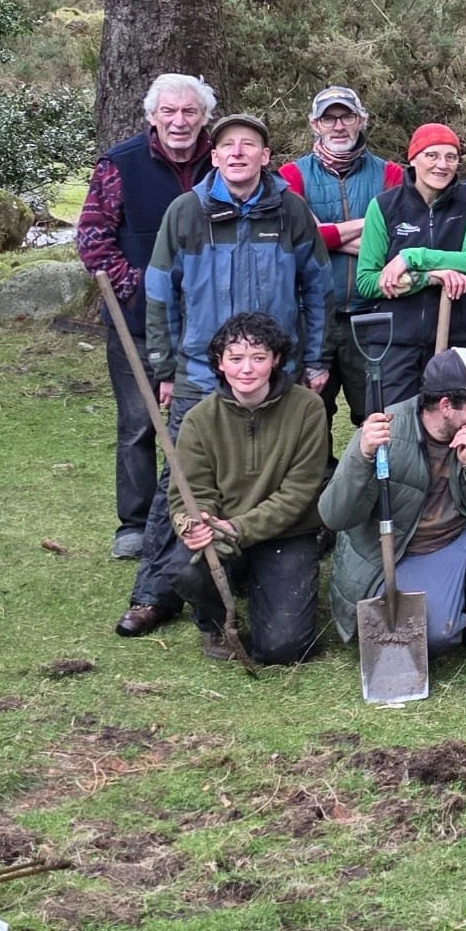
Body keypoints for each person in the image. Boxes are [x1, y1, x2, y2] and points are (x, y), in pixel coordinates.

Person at [120, 114, 333, 638]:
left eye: (250, 145)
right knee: (181, 479)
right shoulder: (186, 213)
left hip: (273, 371)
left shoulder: (290, 213)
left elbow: (319, 289)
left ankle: (250, 564)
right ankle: (154, 592)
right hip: (198, 371)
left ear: (266, 156)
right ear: (213, 157)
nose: (238, 153)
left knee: (273, 467)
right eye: (227, 146)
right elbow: (159, 293)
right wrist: (165, 368)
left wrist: (316, 358)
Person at [320, 347, 466, 661]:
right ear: (446, 406)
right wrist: (362, 457)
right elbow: (334, 516)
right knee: (434, 636)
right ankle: (449, 611)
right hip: (408, 553)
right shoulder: (384, 433)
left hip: (465, 538)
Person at [138, 311, 330, 664]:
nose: (247, 369)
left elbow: (300, 492)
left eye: (258, 358)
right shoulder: (198, 419)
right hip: (221, 533)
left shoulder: (308, 409)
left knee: (283, 649)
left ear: (275, 361)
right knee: (183, 567)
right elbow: (188, 492)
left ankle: (264, 588)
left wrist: (240, 528)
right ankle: (215, 622)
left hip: (285, 535)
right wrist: (195, 524)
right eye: (236, 358)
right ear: (219, 363)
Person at [76, 71, 214, 560]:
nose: (180, 121)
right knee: (139, 422)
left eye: (190, 112)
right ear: (152, 116)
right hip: (136, 320)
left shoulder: (223, 161)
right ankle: (133, 524)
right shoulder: (120, 164)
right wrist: (138, 285)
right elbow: (92, 238)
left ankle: (200, 511)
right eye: (169, 112)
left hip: (210, 321)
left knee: (204, 419)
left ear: (204, 118)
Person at [279, 86, 403, 426]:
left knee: (377, 416)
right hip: (313, 316)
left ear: (361, 120)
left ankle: (374, 480)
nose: (338, 126)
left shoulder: (390, 174)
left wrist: (327, 235)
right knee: (310, 416)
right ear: (314, 125)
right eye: (328, 118)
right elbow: (300, 238)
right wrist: (370, 224)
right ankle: (316, 481)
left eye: (346, 116)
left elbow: (395, 244)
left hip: (375, 315)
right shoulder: (291, 175)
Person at [355, 123, 466, 407]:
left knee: (453, 424)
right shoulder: (384, 206)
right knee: (392, 427)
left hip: (456, 337)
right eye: (432, 155)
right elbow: (368, 281)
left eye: (451, 157)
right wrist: (430, 277)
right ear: (413, 158)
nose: (442, 165)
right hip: (394, 341)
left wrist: (411, 257)